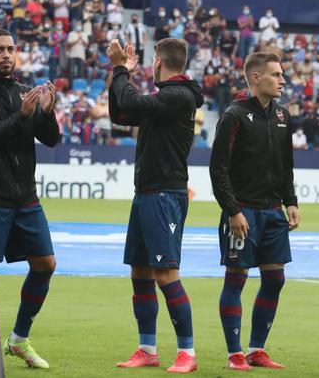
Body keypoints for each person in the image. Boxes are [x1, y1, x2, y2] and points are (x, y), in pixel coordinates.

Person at [0, 29, 62, 369]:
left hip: (25, 197)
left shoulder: (23, 91)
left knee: (46, 264)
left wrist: (46, 113)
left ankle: (18, 339)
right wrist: (20, 116)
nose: (7, 54)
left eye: (11, 49)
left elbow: (49, 140)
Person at [108, 38, 205, 373]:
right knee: (140, 272)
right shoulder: (166, 101)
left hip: (165, 193)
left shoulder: (177, 96)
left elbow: (130, 98)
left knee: (166, 273)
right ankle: (147, 349)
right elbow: (121, 110)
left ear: (159, 63)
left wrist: (121, 69)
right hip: (148, 192)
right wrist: (119, 75)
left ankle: (187, 353)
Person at [209, 53, 300, 371]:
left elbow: (285, 166)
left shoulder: (283, 116)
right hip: (243, 213)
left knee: (275, 279)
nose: (283, 80)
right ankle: (234, 353)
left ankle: (256, 349)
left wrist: (291, 201)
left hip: (273, 213)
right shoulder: (233, 116)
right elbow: (217, 170)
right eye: (276, 74)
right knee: (236, 280)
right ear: (256, 78)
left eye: (282, 74)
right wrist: (232, 210)